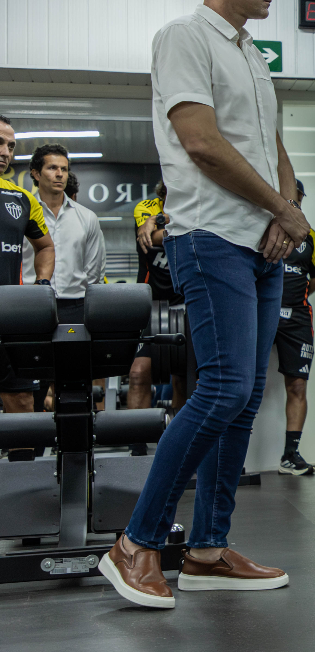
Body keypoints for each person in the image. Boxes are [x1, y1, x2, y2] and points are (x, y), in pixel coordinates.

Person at [100, 0, 305, 609]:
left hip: (261, 242)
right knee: (219, 390)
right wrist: (282, 208)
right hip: (209, 235)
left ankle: (209, 549)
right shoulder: (183, 37)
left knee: (243, 397)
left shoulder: (250, 53)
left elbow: (270, 141)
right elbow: (202, 143)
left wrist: (287, 208)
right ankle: (136, 542)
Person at [0, 116, 55, 461]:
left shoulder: (20, 198)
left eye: (9, 146)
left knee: (20, 401)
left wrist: (42, 284)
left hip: (7, 319)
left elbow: (45, 247)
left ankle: (23, 496)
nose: (4, 152)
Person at [274, 180, 315, 475]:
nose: (295, 201)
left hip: (297, 317)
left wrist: (300, 296)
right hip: (261, 313)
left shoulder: (310, 237)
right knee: (246, 383)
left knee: (297, 384)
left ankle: (290, 455)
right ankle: (233, 454)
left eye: (298, 196)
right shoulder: (262, 229)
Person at [128, 182, 188, 455]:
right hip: (149, 303)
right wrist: (157, 222)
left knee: (182, 378)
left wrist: (160, 223)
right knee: (139, 373)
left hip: (184, 302)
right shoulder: (146, 207)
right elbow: (152, 239)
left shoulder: (188, 208)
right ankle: (137, 445)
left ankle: (178, 443)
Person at [21, 144, 106, 326]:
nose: (60, 174)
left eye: (64, 169)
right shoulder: (22, 215)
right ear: (36, 174)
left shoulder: (87, 217)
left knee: (74, 355)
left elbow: (94, 272)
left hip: (77, 307)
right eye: (52, 168)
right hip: (30, 304)